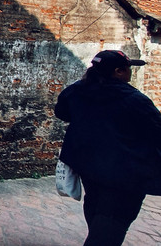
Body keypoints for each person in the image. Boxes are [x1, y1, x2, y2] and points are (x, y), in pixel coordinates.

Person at [55, 49, 161, 245]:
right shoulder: (134, 100)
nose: (130, 73)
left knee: (97, 216)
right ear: (118, 72)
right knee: (109, 230)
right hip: (124, 178)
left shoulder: (77, 91)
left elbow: (62, 112)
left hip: (91, 169)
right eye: (128, 69)